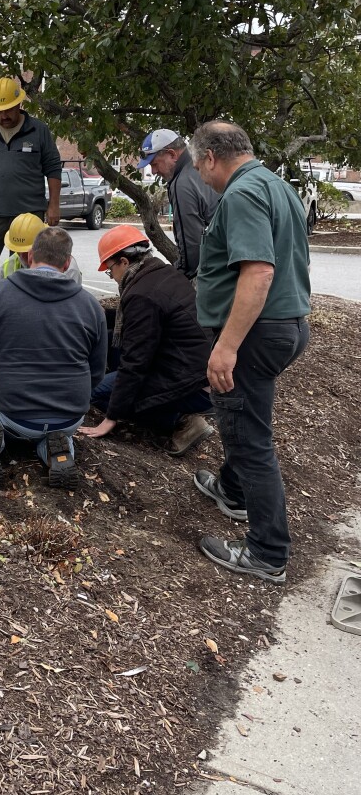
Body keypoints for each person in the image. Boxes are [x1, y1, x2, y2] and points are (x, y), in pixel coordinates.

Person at [190, 120, 311, 584]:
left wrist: (226, 346)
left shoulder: (240, 195)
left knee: (249, 438)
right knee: (248, 418)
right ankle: (232, 490)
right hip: (286, 326)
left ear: (210, 158)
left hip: (256, 334)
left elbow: (258, 273)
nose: (201, 176)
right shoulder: (276, 184)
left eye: (200, 165)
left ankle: (267, 552)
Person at [0, 226, 107, 488]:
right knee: (58, 434)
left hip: (14, 412)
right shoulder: (90, 306)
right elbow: (97, 370)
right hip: (70, 415)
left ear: (28, 256)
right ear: (67, 262)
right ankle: (59, 451)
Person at [77, 226, 215, 455]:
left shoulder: (141, 295)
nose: (112, 277)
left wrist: (110, 418)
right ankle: (175, 410)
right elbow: (134, 327)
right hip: (195, 368)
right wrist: (98, 315)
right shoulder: (160, 273)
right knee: (112, 342)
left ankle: (179, 419)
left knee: (95, 393)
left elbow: (135, 363)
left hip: (191, 385)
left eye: (110, 271)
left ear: (123, 261)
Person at [0, 77, 63, 294]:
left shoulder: (39, 130)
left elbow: (52, 168)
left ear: (19, 104)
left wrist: (54, 205)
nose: (3, 116)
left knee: (27, 270)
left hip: (30, 216)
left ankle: (21, 311)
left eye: (8, 110)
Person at [138, 129, 219, 280]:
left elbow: (191, 245)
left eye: (155, 164)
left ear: (172, 154)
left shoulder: (181, 183)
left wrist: (179, 275)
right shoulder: (204, 164)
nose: (153, 171)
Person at [0, 212, 82, 284]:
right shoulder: (8, 266)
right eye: (18, 251)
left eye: (26, 252)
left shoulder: (70, 268)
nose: (23, 256)